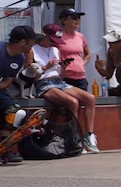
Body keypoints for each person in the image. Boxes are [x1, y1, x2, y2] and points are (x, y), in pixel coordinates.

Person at [32, 24, 99, 153]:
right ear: (44, 36)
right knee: (73, 102)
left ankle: (89, 135)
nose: (54, 44)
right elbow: (31, 76)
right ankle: (73, 137)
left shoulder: (55, 50)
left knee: (90, 98)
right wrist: (46, 67)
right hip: (43, 82)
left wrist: (63, 67)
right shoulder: (33, 49)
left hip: (58, 81)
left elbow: (61, 76)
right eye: (52, 40)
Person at [0, 26, 38, 163]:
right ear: (23, 42)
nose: (33, 45)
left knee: (15, 112)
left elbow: (6, 83)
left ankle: (4, 149)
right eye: (32, 42)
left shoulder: (19, 59)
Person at [56, 8, 92, 91]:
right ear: (64, 21)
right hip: (65, 77)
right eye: (74, 18)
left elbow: (88, 53)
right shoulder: (58, 35)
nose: (77, 20)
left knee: (83, 101)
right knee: (70, 103)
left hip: (81, 77)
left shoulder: (80, 36)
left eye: (78, 18)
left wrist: (82, 64)